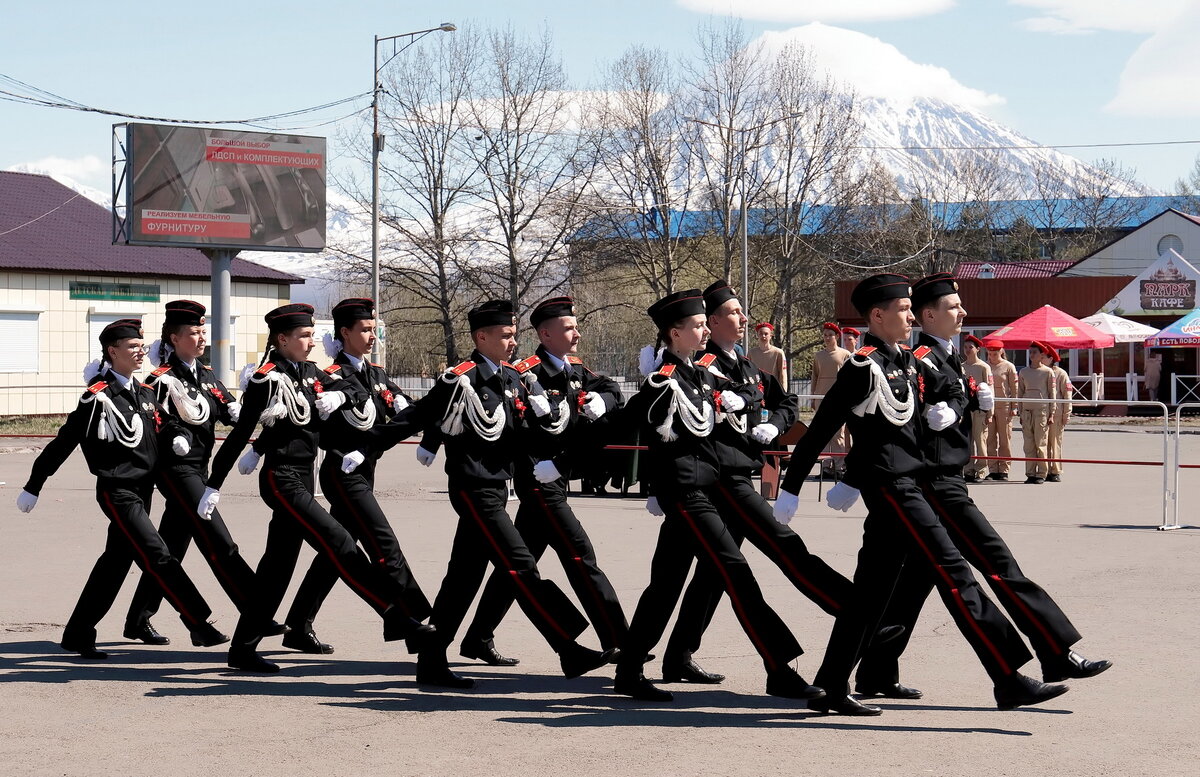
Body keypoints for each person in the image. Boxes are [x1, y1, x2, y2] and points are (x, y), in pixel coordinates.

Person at [774, 274, 1068, 715]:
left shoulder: (906, 363)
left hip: (909, 484)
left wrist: (945, 416)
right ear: (878, 316)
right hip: (894, 490)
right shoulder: (862, 366)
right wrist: (792, 487)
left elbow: (898, 433)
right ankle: (1008, 677)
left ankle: (832, 685)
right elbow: (823, 426)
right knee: (955, 573)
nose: (912, 315)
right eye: (904, 309)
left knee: (871, 594)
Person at [855, 273, 1109, 705]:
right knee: (997, 563)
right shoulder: (916, 358)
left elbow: (957, 394)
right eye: (954, 307)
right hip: (934, 485)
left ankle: (876, 669)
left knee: (911, 584)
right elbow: (895, 415)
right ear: (927, 314)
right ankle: (1053, 651)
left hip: (945, 480)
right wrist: (954, 406)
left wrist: (968, 397)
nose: (964, 313)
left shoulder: (947, 356)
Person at [612, 289, 820, 703]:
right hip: (686, 493)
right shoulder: (665, 378)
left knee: (666, 584)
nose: (706, 328)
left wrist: (748, 402)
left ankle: (630, 667)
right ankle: (779, 667)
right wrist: (563, 460)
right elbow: (626, 424)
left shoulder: (700, 372)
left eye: (708, 322)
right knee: (734, 571)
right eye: (698, 325)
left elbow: (748, 395)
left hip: (707, 488)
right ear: (675, 333)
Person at [204, 302, 434, 673]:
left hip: (304, 481)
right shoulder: (267, 378)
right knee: (340, 542)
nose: (313, 341)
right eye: (305, 336)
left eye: (312, 334)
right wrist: (213, 484)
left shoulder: (310, 373)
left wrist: (341, 395)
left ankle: (242, 649)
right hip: (281, 480)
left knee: (277, 567)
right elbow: (239, 434)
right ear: (283, 339)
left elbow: (357, 391)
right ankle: (396, 617)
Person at [408, 299, 612, 689]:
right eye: (505, 336)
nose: (513, 342)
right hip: (471, 487)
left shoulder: (512, 378)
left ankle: (431, 659)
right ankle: (567, 646)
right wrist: (373, 443)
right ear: (480, 337)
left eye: (514, 335)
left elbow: (521, 432)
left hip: (497, 487)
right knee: (520, 564)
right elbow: (423, 413)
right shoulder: (461, 377)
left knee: (463, 578)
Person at [660, 280, 854, 685]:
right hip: (719, 483)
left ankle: (678, 655)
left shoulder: (746, 367)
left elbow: (785, 403)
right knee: (781, 548)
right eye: (733, 312)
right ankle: (852, 613)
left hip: (738, 475)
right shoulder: (701, 369)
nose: (743, 318)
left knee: (713, 577)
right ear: (710, 322)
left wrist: (773, 425)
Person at [15, 318, 227, 658]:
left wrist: (177, 438)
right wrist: (34, 485)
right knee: (157, 554)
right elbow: (62, 444)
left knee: (113, 564)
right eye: (132, 347)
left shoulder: (143, 393)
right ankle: (198, 622)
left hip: (143, 492)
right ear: (113, 352)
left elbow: (167, 422)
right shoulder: (97, 399)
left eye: (142, 346)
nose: (141, 351)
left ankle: (78, 633)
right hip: (117, 492)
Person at [458, 295, 629, 667]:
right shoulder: (525, 372)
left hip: (557, 476)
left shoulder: (573, 368)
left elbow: (612, 390)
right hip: (537, 479)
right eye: (569, 328)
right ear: (546, 333)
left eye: (576, 326)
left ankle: (478, 636)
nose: (577, 334)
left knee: (518, 567)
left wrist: (604, 400)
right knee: (580, 556)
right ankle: (620, 642)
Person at [123, 300, 285, 647]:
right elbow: (155, 420)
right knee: (220, 541)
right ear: (174, 338)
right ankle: (256, 611)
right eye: (193, 333)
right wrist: (174, 434)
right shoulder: (160, 381)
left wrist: (256, 410)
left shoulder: (207, 376)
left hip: (199, 468)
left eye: (202, 332)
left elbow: (229, 411)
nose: (200, 339)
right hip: (175, 471)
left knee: (172, 547)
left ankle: (139, 618)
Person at [278, 298, 432, 654]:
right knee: (384, 544)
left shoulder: (375, 374)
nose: (372, 336)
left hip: (366, 471)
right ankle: (413, 619)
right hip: (343, 473)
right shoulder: (331, 376)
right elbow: (319, 416)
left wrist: (403, 404)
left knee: (335, 554)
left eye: (374, 329)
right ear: (344, 333)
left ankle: (299, 624)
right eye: (364, 329)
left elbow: (400, 402)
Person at [811, 322, 850, 475]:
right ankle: (826, 467)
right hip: (821, 396)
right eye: (825, 335)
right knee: (823, 433)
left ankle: (840, 467)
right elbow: (814, 376)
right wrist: (813, 397)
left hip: (839, 398)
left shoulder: (845, 354)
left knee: (838, 434)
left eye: (830, 335)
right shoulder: (818, 356)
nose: (827, 338)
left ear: (837, 336)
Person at [1019, 342, 1057, 485]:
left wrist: (1052, 412)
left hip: (1041, 411)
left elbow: (1052, 394)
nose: (1032, 354)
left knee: (1041, 443)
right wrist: (1021, 411)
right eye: (1031, 352)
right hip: (1027, 412)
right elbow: (1020, 393)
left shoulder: (1048, 372)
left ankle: (1041, 473)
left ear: (1042, 355)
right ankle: (1030, 473)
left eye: (1035, 352)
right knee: (1028, 444)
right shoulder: (1023, 372)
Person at [984, 339, 1019, 481]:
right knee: (990, 439)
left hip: (1004, 406)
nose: (992, 356)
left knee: (1004, 439)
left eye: (995, 353)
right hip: (990, 406)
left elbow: (1014, 388)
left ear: (1001, 352)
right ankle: (992, 469)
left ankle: (1004, 469)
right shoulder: (985, 367)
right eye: (990, 353)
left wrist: (1014, 407)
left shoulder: (1008, 367)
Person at [960, 334, 993, 482]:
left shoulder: (984, 367)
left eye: (971, 347)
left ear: (978, 349)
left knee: (980, 440)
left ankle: (980, 470)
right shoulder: (961, 367)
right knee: (967, 440)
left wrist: (989, 412)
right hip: (966, 408)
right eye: (965, 347)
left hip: (979, 409)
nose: (967, 350)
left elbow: (991, 391)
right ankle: (968, 469)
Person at [1046, 346, 1073, 483]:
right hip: (1042, 413)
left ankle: (1055, 470)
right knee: (1042, 443)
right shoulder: (1039, 372)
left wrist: (1066, 413)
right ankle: (1044, 468)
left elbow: (1067, 395)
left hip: (1057, 413)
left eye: (1043, 356)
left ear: (1051, 359)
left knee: (1055, 442)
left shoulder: (1061, 373)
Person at [747, 322, 788, 387]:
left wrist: (783, 392)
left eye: (766, 334)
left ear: (770, 336)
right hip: (757, 390)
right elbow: (748, 372)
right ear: (757, 335)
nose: (763, 336)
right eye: (760, 334)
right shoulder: (751, 353)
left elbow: (783, 374)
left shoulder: (778, 352)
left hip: (773, 389)